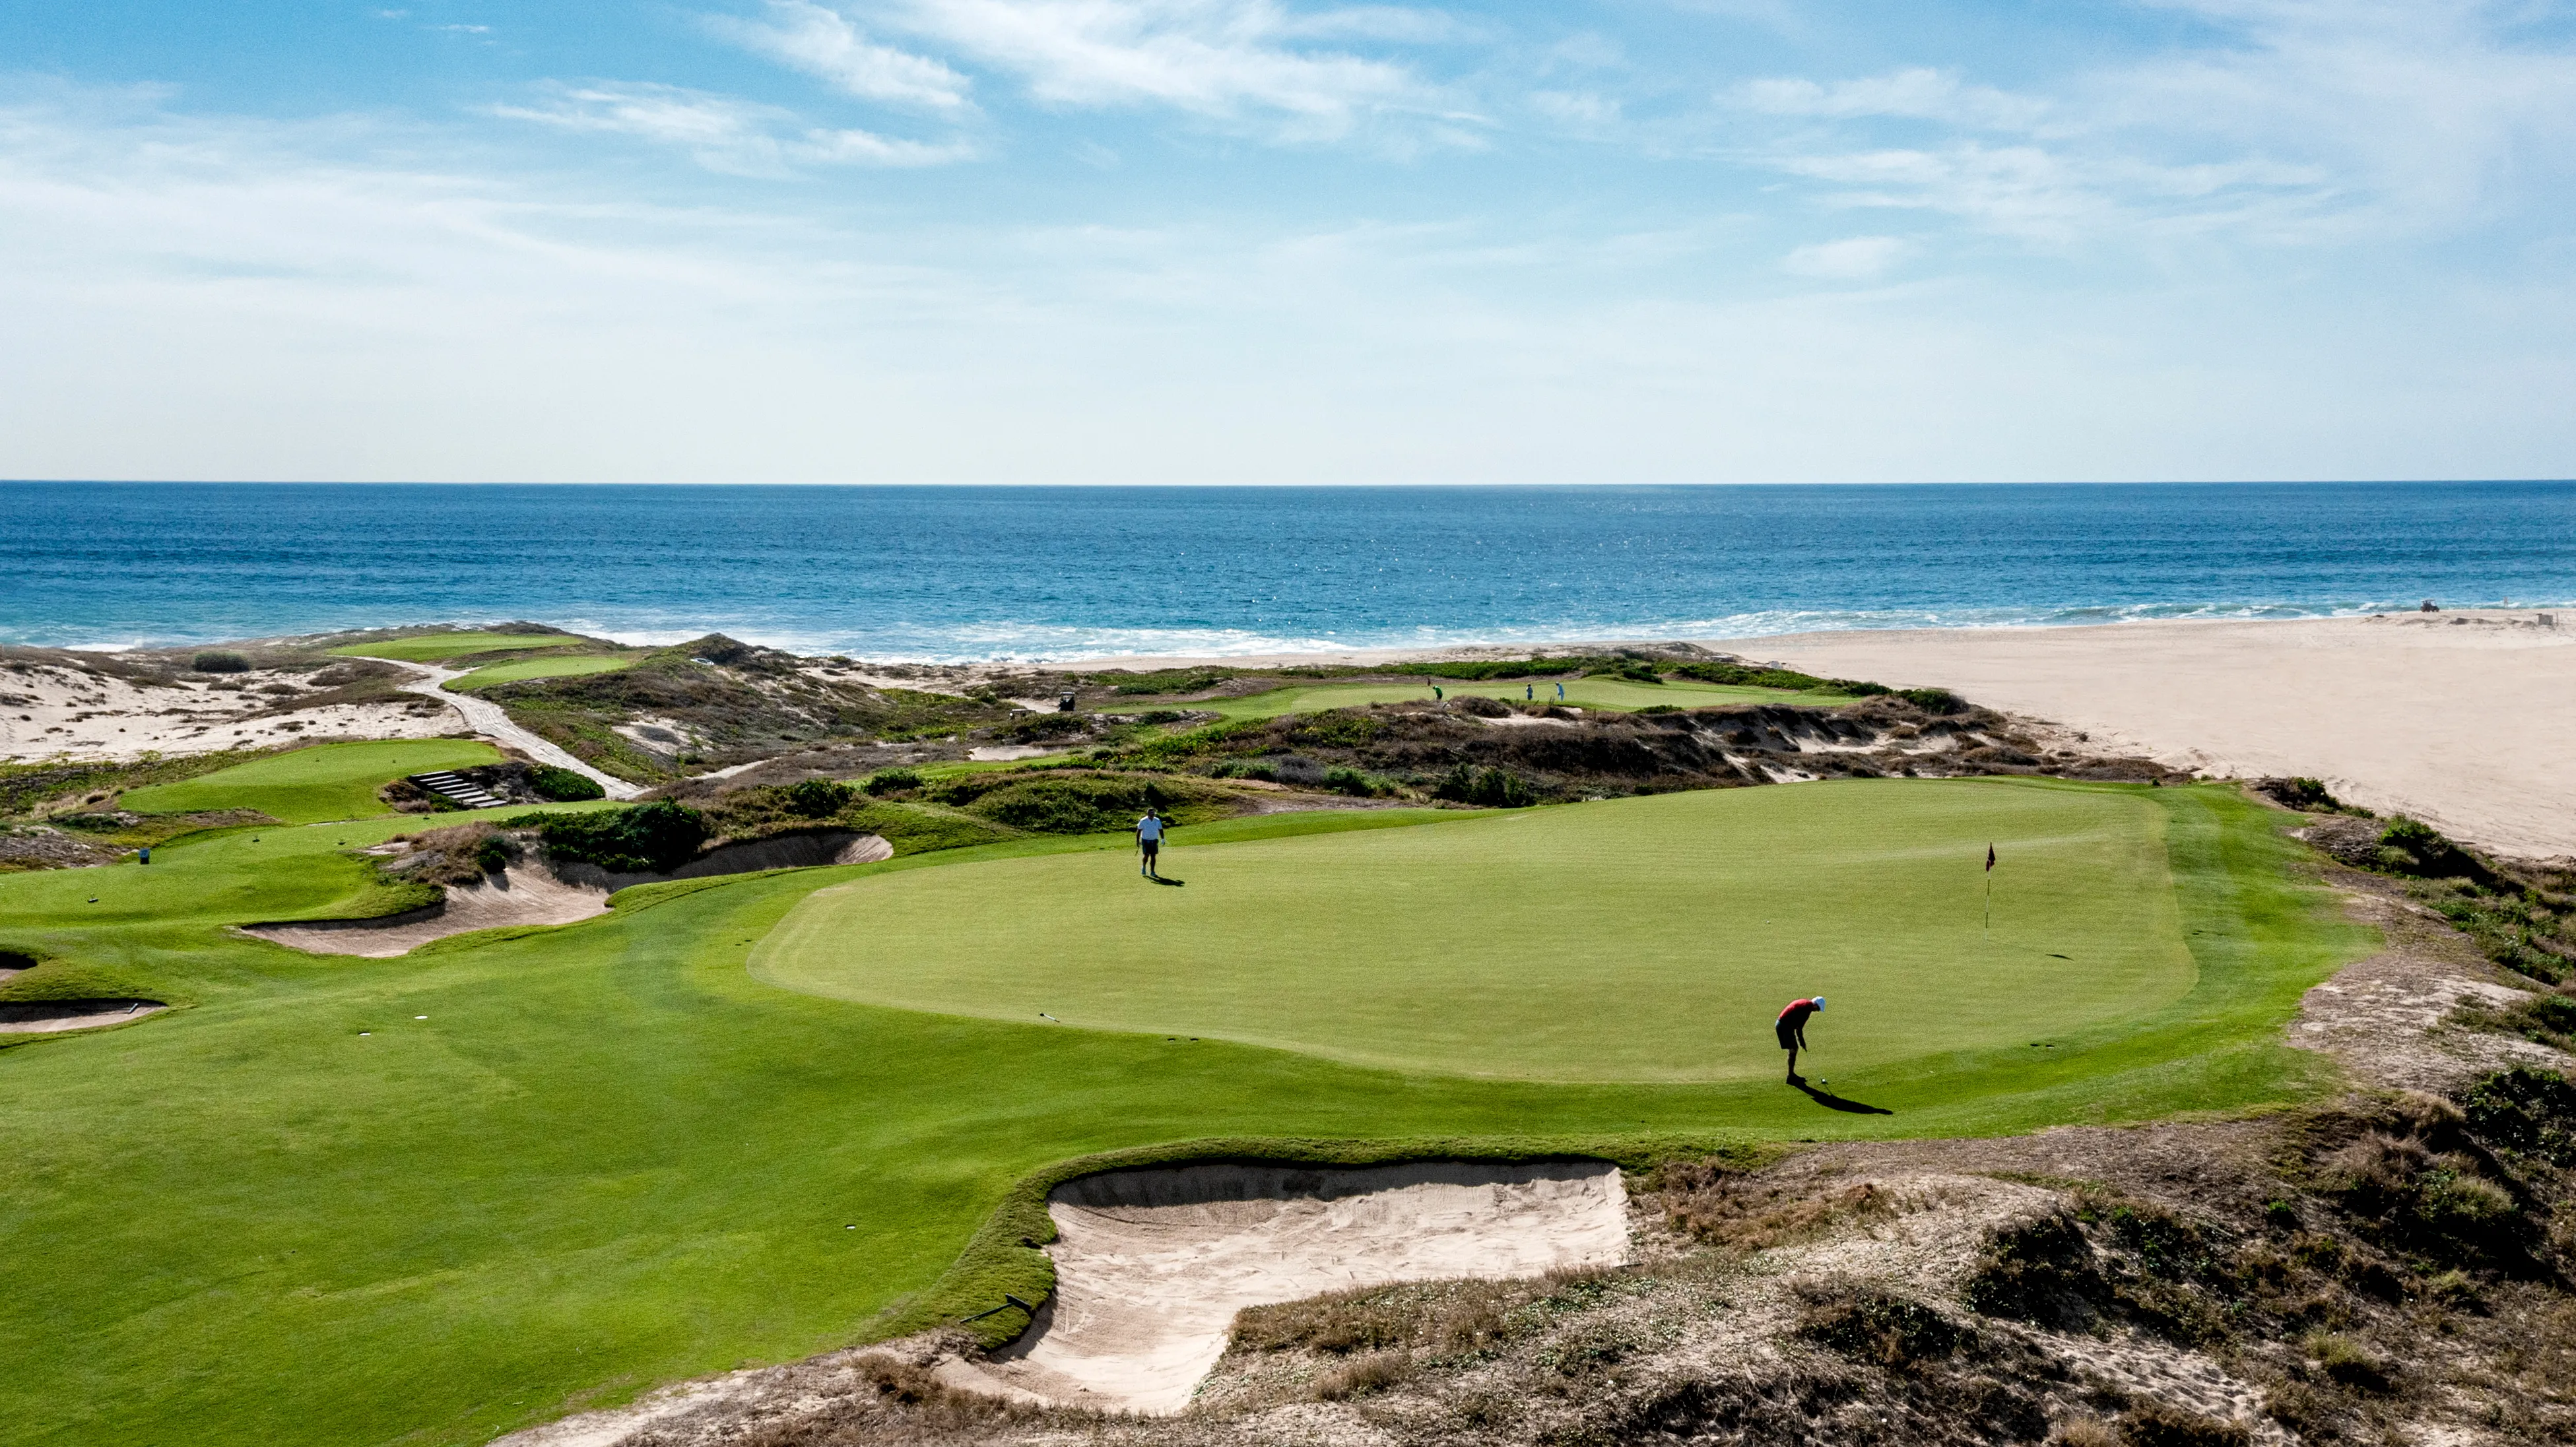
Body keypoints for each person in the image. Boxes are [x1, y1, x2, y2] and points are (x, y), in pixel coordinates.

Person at [1776, 995, 1824, 1082]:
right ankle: (1791, 1077)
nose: (1817, 1011)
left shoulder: (1805, 1003)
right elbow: (1799, 1029)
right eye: (1818, 1009)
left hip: (1783, 1024)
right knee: (1794, 1049)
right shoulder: (1807, 1009)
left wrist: (1801, 1041)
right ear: (1815, 1005)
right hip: (1784, 1026)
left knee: (1793, 1049)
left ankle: (1791, 1075)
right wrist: (1802, 1042)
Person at [1135, 807, 1168, 878]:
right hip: (1145, 840)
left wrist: (1163, 839)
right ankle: (1144, 866)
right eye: (1151, 813)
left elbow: (1161, 830)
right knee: (1147, 855)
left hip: (1154, 840)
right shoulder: (1143, 821)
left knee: (1153, 856)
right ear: (1148, 814)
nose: (1153, 814)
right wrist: (1137, 841)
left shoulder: (1157, 820)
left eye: (1153, 813)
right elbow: (1139, 831)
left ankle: (1152, 871)